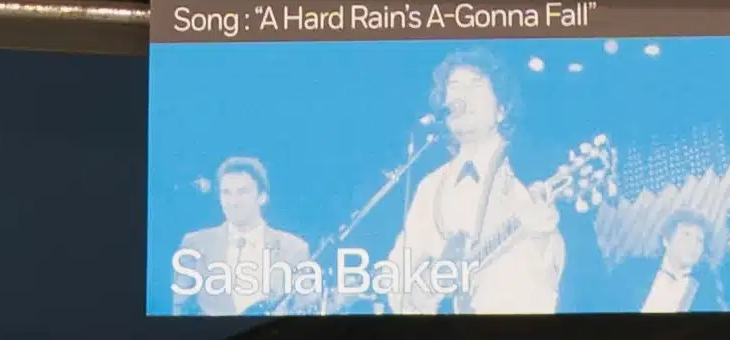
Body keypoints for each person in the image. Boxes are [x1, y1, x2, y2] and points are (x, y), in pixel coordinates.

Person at [373, 60, 587, 313]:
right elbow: (397, 271)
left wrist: (542, 237)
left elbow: (552, 278)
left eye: (475, 85)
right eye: (454, 86)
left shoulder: (530, 170)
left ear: (502, 109)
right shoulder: (430, 187)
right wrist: (420, 294)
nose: (461, 95)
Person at [168, 153, 332, 316]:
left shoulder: (294, 248)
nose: (233, 202)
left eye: (242, 192)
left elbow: (306, 312)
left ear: (262, 197)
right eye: (226, 192)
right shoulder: (194, 244)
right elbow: (179, 314)